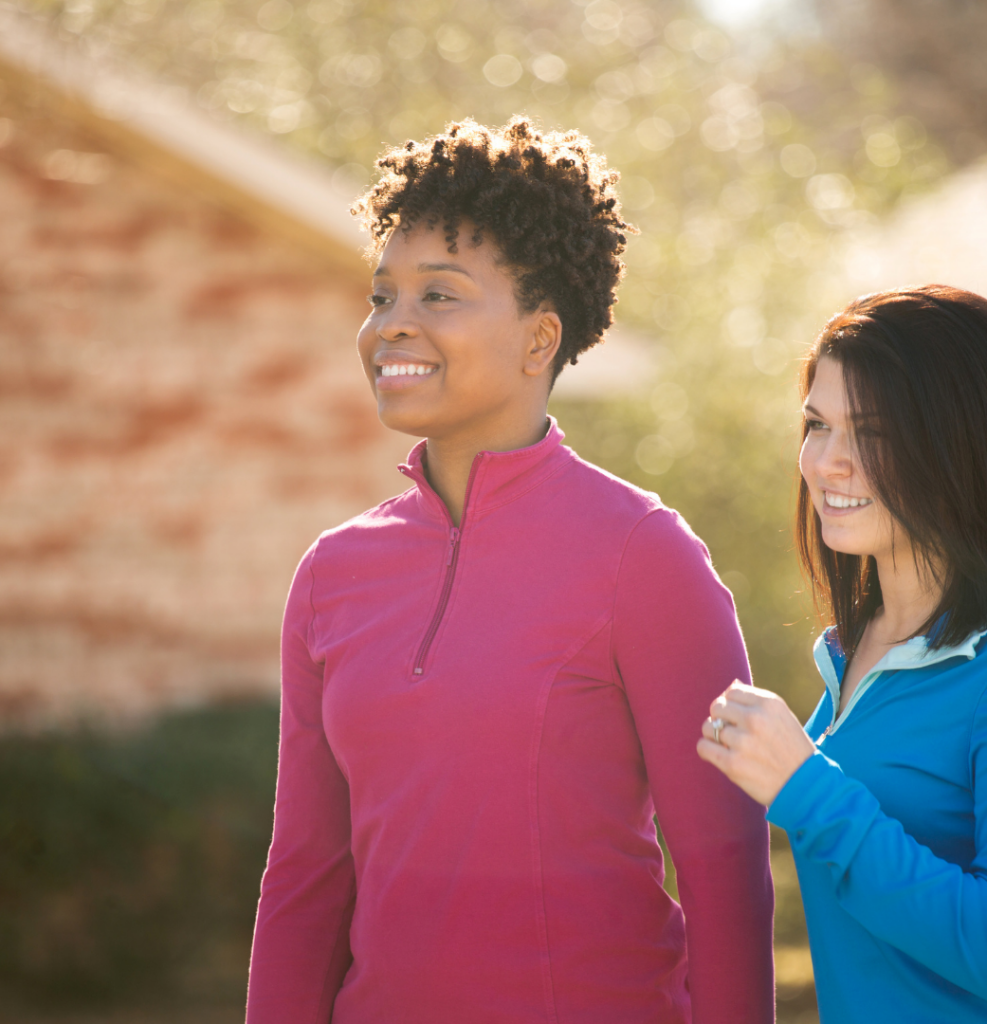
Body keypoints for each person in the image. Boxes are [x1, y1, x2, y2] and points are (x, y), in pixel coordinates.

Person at [246, 117, 774, 1024]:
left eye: (439, 296)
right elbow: (305, 874)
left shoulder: (644, 555)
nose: (391, 325)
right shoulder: (333, 573)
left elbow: (725, 866)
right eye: (382, 295)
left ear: (540, 340)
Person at [698, 285, 987, 1023]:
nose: (827, 462)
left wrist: (807, 789)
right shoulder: (857, 658)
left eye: (874, 434)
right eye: (817, 424)